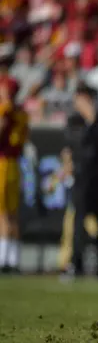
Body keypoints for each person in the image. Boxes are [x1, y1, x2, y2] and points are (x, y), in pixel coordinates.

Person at [66, 86, 98, 278]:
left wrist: (94, 120)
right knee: (79, 222)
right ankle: (75, 264)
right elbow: (77, 144)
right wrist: (89, 121)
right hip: (82, 178)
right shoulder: (75, 121)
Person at [0, 60, 27, 273]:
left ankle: (4, 259)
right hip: (15, 163)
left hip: (3, 163)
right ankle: (13, 257)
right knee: (12, 213)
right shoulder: (21, 112)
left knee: (3, 213)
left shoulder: (6, 110)